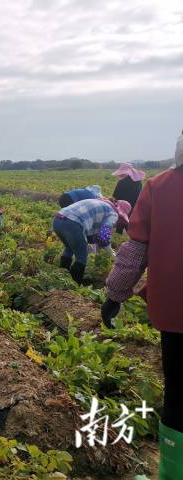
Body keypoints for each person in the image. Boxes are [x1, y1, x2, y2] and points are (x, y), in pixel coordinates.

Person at [102, 134, 183, 479]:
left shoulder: (162, 187)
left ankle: (172, 474)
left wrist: (114, 296)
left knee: (179, 396)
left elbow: (134, 253)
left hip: (178, 309)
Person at [53, 198, 130, 284]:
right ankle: (75, 283)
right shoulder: (113, 213)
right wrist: (110, 252)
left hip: (58, 219)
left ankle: (62, 275)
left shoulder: (102, 203)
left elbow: (92, 233)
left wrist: (96, 242)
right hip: (73, 223)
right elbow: (104, 231)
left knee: (69, 248)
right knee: (81, 257)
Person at [112, 163, 146, 233]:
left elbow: (115, 196)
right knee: (130, 224)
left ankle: (118, 237)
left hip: (122, 207)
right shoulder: (138, 182)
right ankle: (131, 239)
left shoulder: (122, 182)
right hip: (134, 207)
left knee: (120, 222)